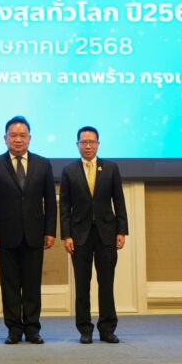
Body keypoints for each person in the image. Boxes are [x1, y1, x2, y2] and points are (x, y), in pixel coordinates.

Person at [0, 115, 56, 344]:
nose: (18, 139)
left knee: (33, 284)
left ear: (30, 138)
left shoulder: (43, 164)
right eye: (13, 135)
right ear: (5, 138)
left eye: (22, 135)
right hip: (5, 235)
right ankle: (14, 329)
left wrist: (50, 231)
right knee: (10, 285)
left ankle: (33, 328)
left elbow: (50, 201)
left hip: (35, 234)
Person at [59, 126, 128, 345]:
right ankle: (85, 330)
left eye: (92, 142)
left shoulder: (111, 168)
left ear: (98, 144)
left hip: (107, 234)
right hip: (79, 236)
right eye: (83, 142)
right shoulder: (69, 170)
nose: (88, 146)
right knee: (82, 285)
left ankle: (107, 329)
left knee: (106, 283)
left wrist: (121, 230)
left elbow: (119, 200)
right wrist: (66, 235)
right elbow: (65, 206)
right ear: (77, 144)